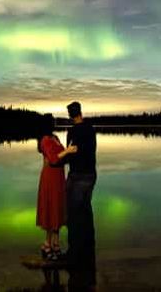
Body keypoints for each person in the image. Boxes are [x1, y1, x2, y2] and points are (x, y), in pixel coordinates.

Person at [36, 113, 77, 261]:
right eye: (52, 122)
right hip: (50, 178)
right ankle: (47, 245)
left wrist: (68, 154)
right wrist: (67, 151)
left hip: (59, 177)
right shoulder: (45, 140)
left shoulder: (55, 138)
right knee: (50, 209)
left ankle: (56, 244)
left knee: (58, 209)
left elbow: (61, 157)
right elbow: (53, 158)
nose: (54, 123)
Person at [61, 101, 97, 268]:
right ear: (80, 112)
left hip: (77, 176)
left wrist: (57, 160)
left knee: (73, 214)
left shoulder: (73, 131)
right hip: (91, 174)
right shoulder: (90, 128)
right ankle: (89, 247)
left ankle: (74, 252)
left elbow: (71, 151)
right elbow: (90, 149)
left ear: (70, 115)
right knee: (86, 210)